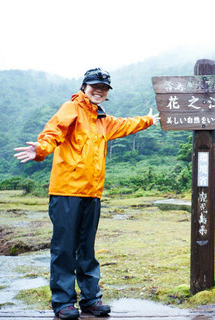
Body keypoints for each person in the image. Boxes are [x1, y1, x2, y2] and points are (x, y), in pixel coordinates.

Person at [14, 68, 160, 319]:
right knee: (64, 249)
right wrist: (40, 150)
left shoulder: (103, 120)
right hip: (66, 193)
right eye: (94, 86)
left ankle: (91, 299)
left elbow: (126, 125)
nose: (99, 91)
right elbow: (53, 132)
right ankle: (62, 302)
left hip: (92, 194)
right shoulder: (72, 108)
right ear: (84, 87)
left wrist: (148, 120)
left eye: (103, 88)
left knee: (87, 249)